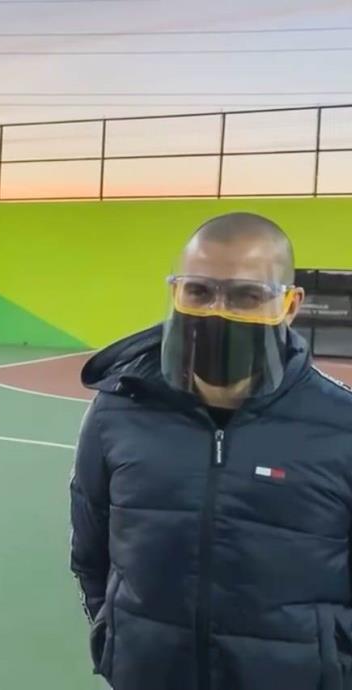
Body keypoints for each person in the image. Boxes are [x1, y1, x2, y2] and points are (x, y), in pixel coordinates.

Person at [70, 212, 352, 690]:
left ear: (290, 305)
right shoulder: (118, 410)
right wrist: (118, 635)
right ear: (176, 293)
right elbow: (90, 550)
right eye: (199, 292)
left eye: (247, 296)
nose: (218, 311)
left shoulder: (341, 426)